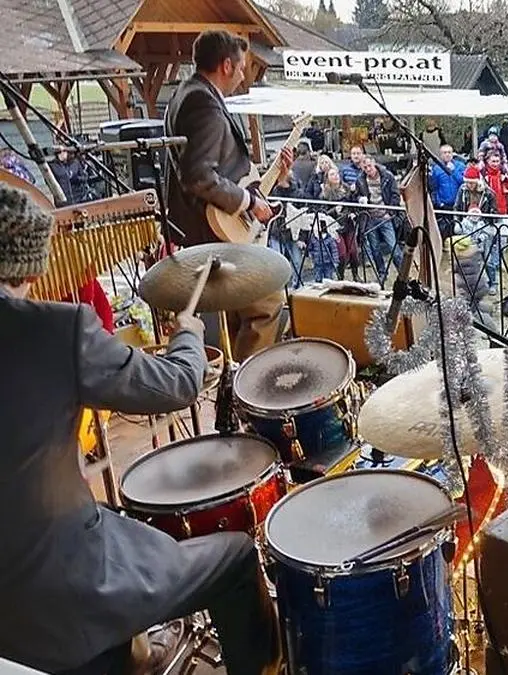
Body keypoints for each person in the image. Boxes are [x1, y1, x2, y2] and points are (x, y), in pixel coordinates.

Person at [0, 184, 278, 675]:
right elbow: (176, 385)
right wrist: (189, 335)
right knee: (235, 557)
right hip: (57, 598)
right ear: (29, 265)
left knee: (112, 516)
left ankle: (139, 652)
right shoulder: (54, 330)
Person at [165, 30, 290, 362]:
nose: (243, 74)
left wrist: (270, 177)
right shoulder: (202, 102)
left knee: (238, 313)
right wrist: (248, 203)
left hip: (210, 229)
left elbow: (218, 169)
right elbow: (199, 176)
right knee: (268, 302)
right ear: (225, 65)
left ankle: (230, 389)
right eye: (241, 67)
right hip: (211, 233)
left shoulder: (187, 93)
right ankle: (246, 390)